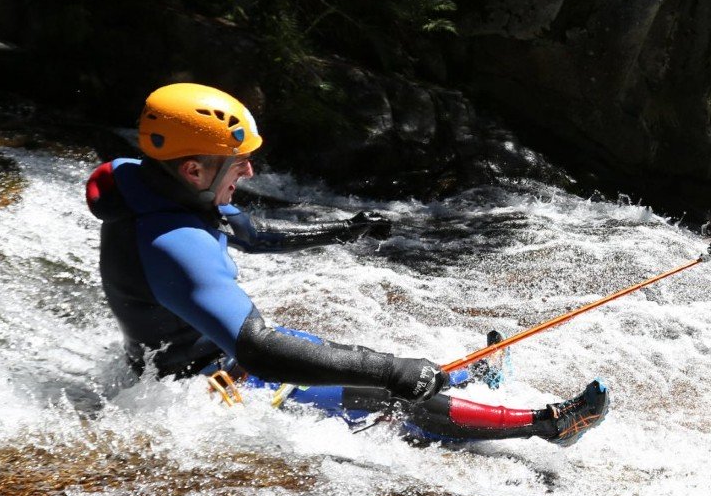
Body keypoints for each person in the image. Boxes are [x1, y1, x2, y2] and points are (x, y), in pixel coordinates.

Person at [86, 82, 609, 446]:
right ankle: (549, 426)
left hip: (219, 353)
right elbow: (260, 350)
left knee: (387, 371)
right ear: (195, 168)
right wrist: (393, 372)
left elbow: (253, 235)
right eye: (237, 161)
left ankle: (470, 380)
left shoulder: (156, 183)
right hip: (204, 384)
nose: (248, 169)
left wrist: (343, 230)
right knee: (386, 391)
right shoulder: (172, 241)